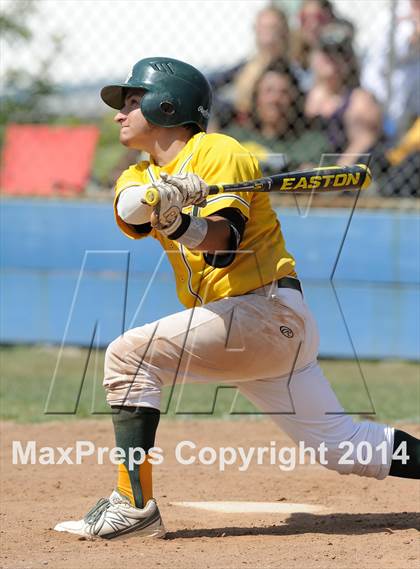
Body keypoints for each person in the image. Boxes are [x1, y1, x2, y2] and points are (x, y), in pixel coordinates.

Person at [54, 57, 420, 540]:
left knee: (128, 356)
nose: (120, 114)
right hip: (240, 325)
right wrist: (163, 197)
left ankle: (132, 506)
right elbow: (128, 206)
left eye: (133, 102)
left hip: (264, 311)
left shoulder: (219, 152)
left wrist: (181, 220)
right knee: (342, 447)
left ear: (169, 105)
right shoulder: (137, 173)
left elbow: (224, 244)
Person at [223, 61, 330, 174]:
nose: (275, 99)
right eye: (269, 91)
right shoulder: (235, 138)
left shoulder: (312, 144)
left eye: (284, 92)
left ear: (294, 100)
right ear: (257, 97)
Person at [208, 5, 290, 126]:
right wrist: (231, 109)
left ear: (284, 32)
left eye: (273, 28)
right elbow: (210, 85)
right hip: (243, 126)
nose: (268, 35)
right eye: (262, 28)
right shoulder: (247, 66)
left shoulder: (291, 69)